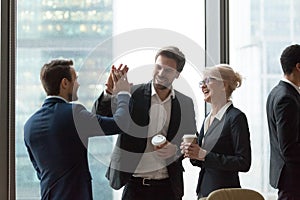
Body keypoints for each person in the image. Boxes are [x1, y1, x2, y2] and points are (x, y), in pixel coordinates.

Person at [93, 46, 197, 200]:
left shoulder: (185, 103)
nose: (161, 73)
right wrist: (109, 92)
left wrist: (175, 151)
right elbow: (98, 119)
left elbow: (190, 140)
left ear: (177, 75)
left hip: (168, 188)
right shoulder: (132, 93)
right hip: (134, 186)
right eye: (158, 67)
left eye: (168, 70)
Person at [24, 59, 131, 200]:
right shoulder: (74, 114)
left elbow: (39, 172)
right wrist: (124, 94)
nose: (78, 84)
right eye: (75, 80)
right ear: (65, 83)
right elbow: (120, 124)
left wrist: (109, 93)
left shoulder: (29, 125)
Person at [180, 64, 251, 198]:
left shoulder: (236, 117)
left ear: (223, 85)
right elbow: (202, 160)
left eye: (208, 80)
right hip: (205, 192)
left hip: (225, 194)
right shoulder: (208, 118)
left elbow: (243, 162)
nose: (202, 86)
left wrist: (204, 155)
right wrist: (192, 152)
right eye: (202, 82)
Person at [266, 44, 300, 200]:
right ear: (298, 67)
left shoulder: (276, 92)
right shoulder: (287, 98)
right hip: (293, 179)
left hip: (288, 177)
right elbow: (288, 147)